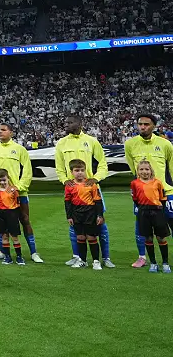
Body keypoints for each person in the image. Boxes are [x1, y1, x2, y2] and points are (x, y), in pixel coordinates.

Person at [54, 115, 113, 268]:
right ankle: (78, 257)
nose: (66, 124)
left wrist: (96, 178)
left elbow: (102, 163)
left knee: (101, 224)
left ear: (80, 123)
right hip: (73, 190)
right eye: (66, 122)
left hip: (91, 189)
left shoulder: (91, 141)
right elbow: (59, 167)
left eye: (70, 122)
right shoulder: (61, 143)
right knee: (75, 224)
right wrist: (64, 180)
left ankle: (105, 258)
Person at [0, 123, 42, 262]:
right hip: (1, 195)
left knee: (25, 220)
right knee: (2, 225)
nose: (0, 132)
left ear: (11, 132)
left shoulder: (19, 149)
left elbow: (27, 170)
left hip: (18, 194)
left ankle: (34, 253)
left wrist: (19, 186)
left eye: (3, 130)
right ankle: (3, 252)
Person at [124, 113, 173, 268]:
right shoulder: (130, 144)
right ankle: (142, 257)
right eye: (140, 124)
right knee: (142, 226)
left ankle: (164, 260)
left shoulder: (165, 144)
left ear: (154, 126)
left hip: (166, 192)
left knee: (170, 224)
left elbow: (171, 168)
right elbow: (133, 168)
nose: (143, 127)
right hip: (143, 195)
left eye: (146, 124)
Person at [131, 160, 171, 273]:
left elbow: (163, 199)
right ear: (138, 171)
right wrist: (143, 208)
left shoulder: (157, 182)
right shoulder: (134, 183)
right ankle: (153, 263)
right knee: (148, 238)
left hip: (157, 212)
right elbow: (135, 199)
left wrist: (157, 209)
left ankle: (165, 263)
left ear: (151, 170)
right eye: (141, 169)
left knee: (161, 237)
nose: (144, 171)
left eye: (147, 169)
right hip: (143, 212)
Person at [64, 158, 105, 270]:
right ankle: (82, 260)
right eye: (77, 170)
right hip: (77, 213)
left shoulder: (91, 184)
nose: (80, 172)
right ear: (72, 172)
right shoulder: (69, 186)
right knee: (80, 237)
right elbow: (67, 202)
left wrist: (99, 215)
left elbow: (97, 200)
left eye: (82, 170)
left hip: (90, 213)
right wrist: (69, 216)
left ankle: (96, 261)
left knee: (91, 237)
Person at [0, 169, 26, 266]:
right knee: (4, 236)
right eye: (0, 180)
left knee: (14, 236)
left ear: (8, 178)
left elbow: (18, 203)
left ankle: (19, 256)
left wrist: (17, 215)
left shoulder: (13, 190)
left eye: (4, 180)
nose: (2, 182)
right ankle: (7, 257)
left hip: (12, 213)